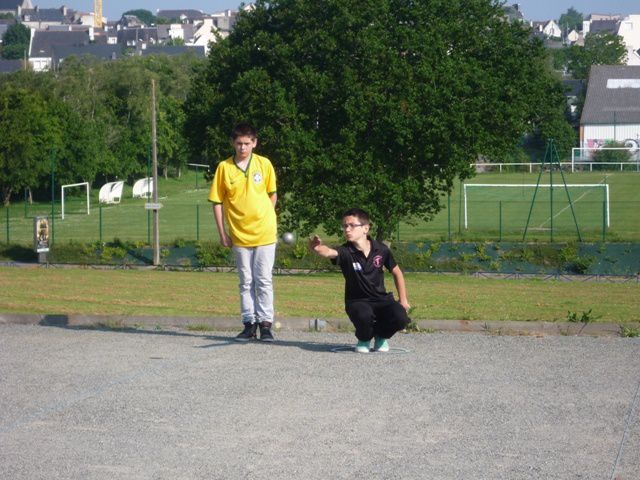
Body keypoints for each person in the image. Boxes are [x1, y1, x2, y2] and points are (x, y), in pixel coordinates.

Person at [208, 123, 278, 342]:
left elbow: (272, 194)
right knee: (246, 281)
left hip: (265, 233)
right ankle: (249, 324)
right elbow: (217, 202)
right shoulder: (224, 168)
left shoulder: (264, 164)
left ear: (254, 143)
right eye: (239, 143)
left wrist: (266, 217)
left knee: (263, 280)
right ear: (233, 143)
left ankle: (266, 324)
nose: (243, 148)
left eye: (247, 143)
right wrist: (223, 233)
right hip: (239, 235)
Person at [309, 208, 411, 353]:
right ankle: (364, 338)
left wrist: (403, 300)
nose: (347, 229)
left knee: (400, 318)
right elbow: (329, 252)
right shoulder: (345, 251)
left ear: (365, 228)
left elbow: (397, 272)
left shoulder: (382, 250)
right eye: (344, 226)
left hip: (381, 299)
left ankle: (381, 336)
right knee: (363, 315)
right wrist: (317, 248)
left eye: (351, 225)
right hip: (357, 301)